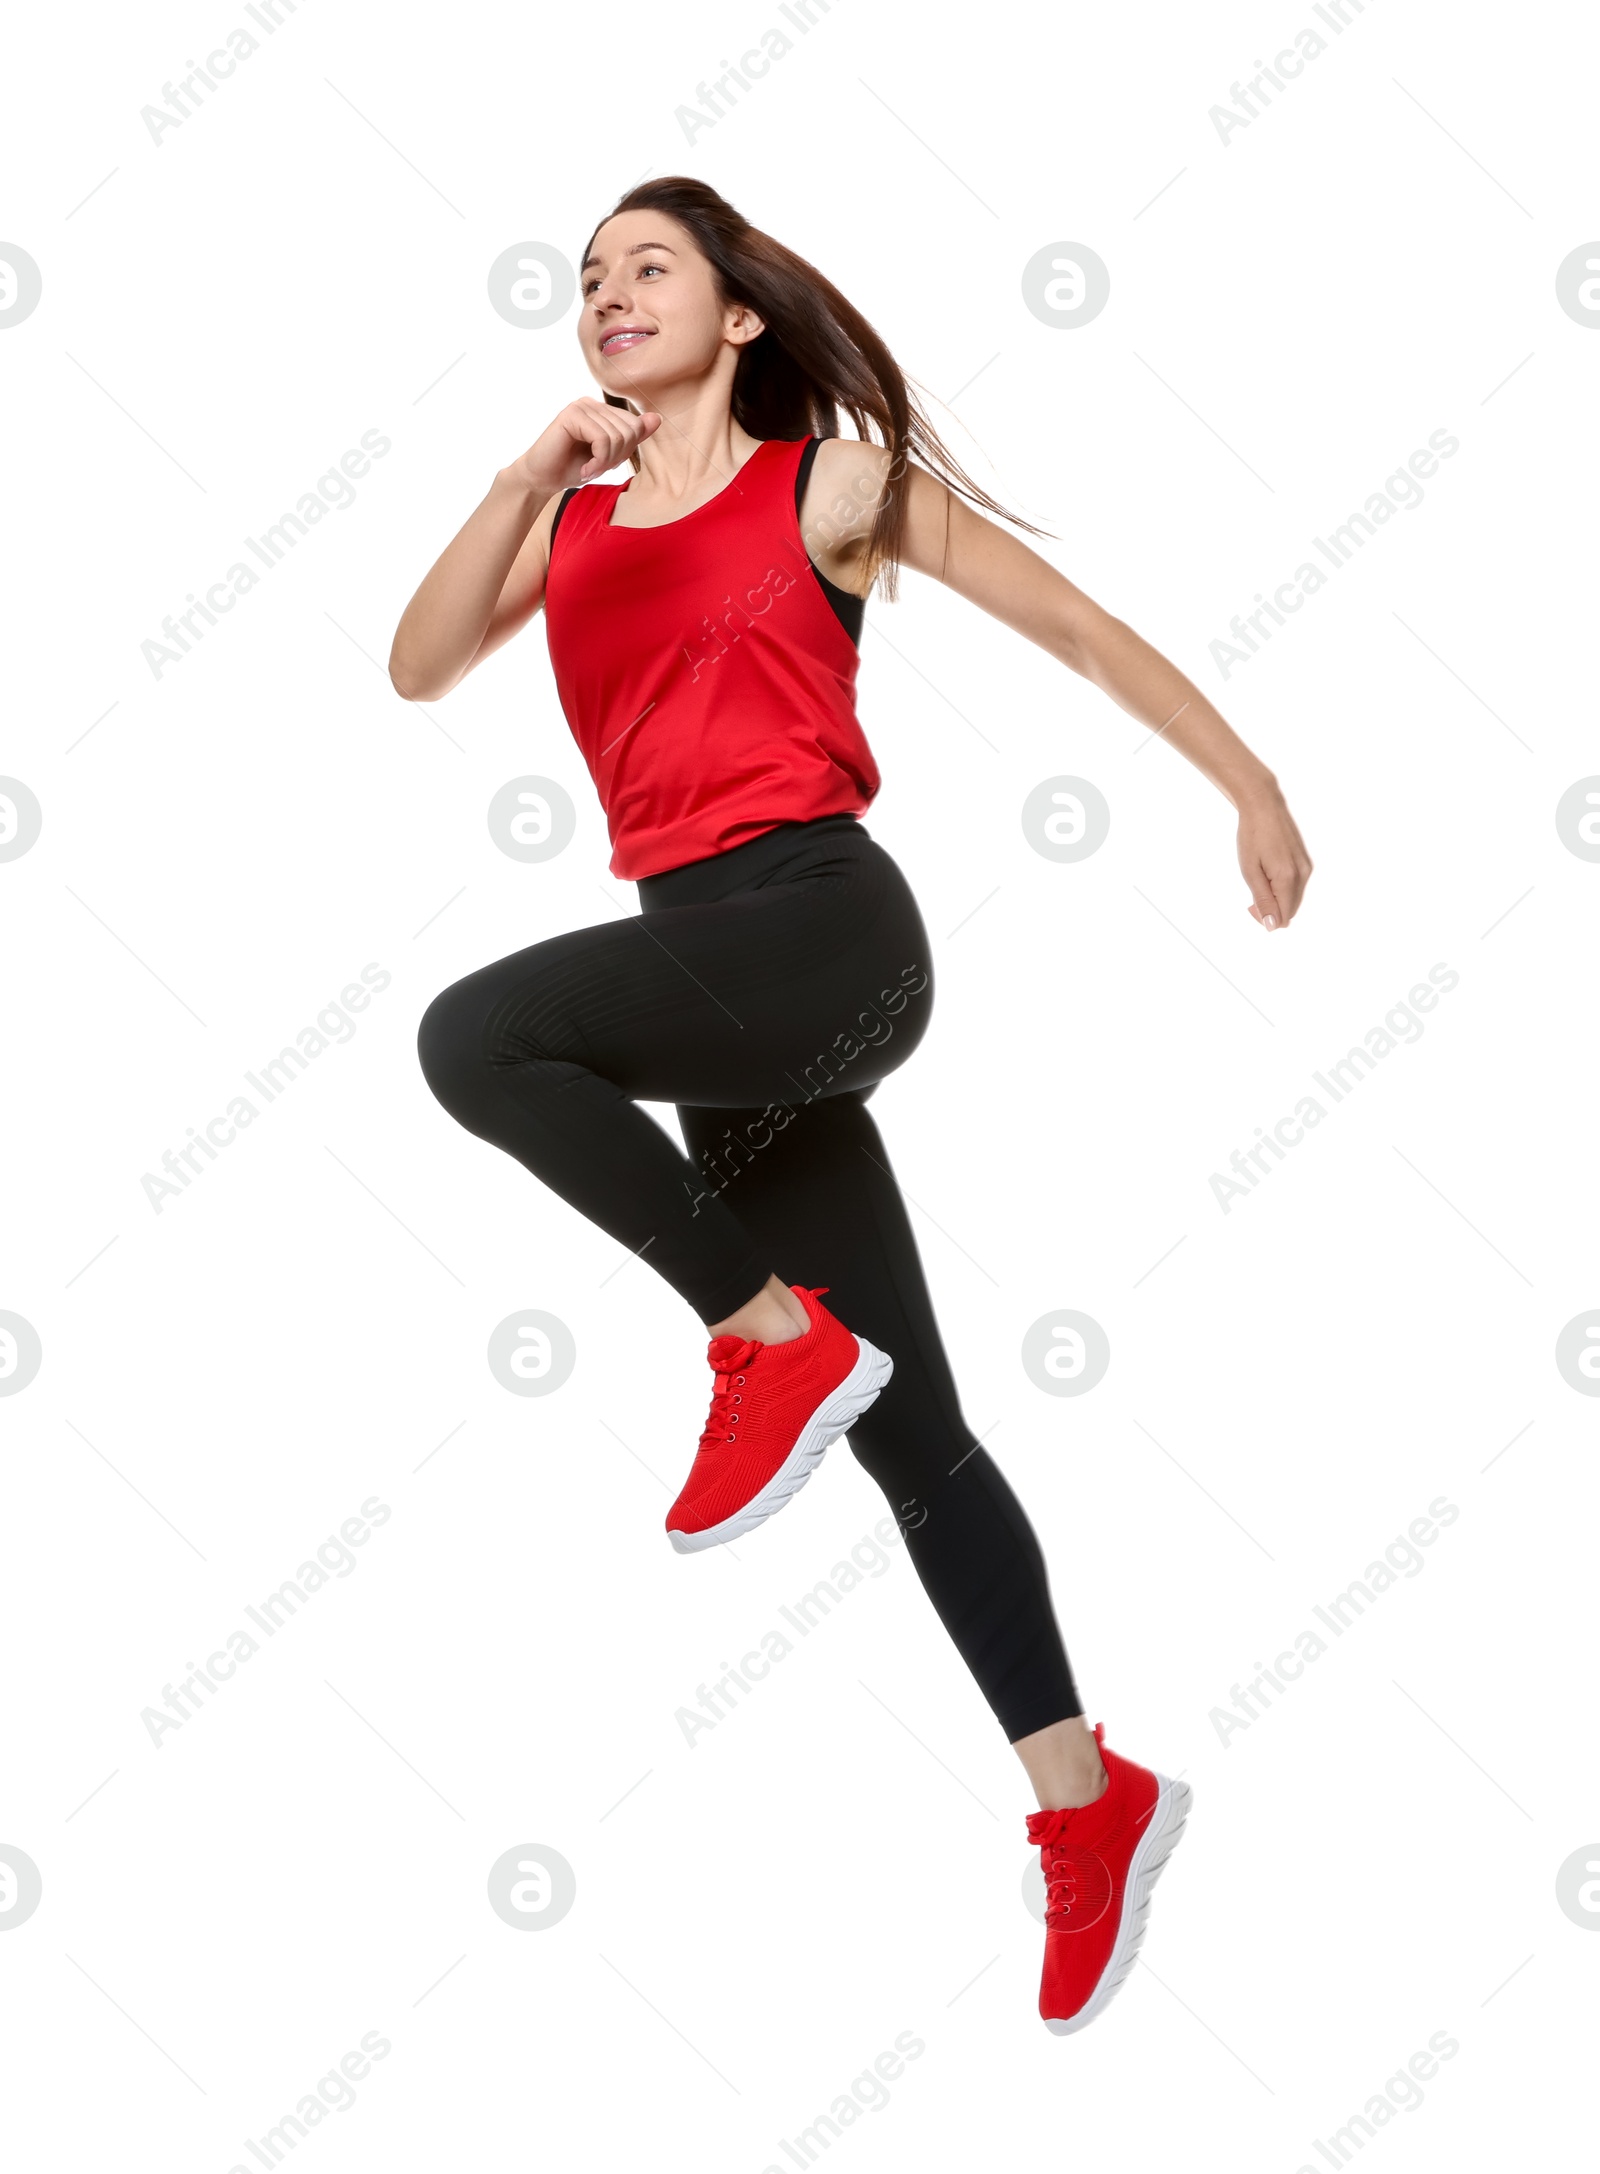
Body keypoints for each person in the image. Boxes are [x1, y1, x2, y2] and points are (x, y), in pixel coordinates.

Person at [389, 176, 1312, 2033]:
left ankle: (760, 1337)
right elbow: (417, 662)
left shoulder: (827, 481)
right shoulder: (568, 521)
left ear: (736, 315)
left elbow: (1080, 631)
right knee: (922, 1434)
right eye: (585, 281)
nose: (606, 295)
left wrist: (1250, 780)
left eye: (648, 267)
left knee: (475, 1038)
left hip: (824, 935)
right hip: (708, 987)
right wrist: (515, 477)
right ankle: (1089, 1799)